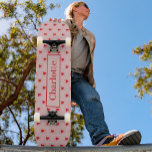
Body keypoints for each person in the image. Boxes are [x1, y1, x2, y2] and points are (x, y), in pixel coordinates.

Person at [59, 1, 141, 146]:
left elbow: (88, 62)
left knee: (92, 97)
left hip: (78, 78)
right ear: (75, 8)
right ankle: (54, 139)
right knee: (57, 109)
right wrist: (53, 28)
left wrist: (88, 87)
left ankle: (102, 140)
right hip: (59, 73)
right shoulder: (63, 24)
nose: (89, 9)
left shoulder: (90, 36)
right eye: (86, 6)